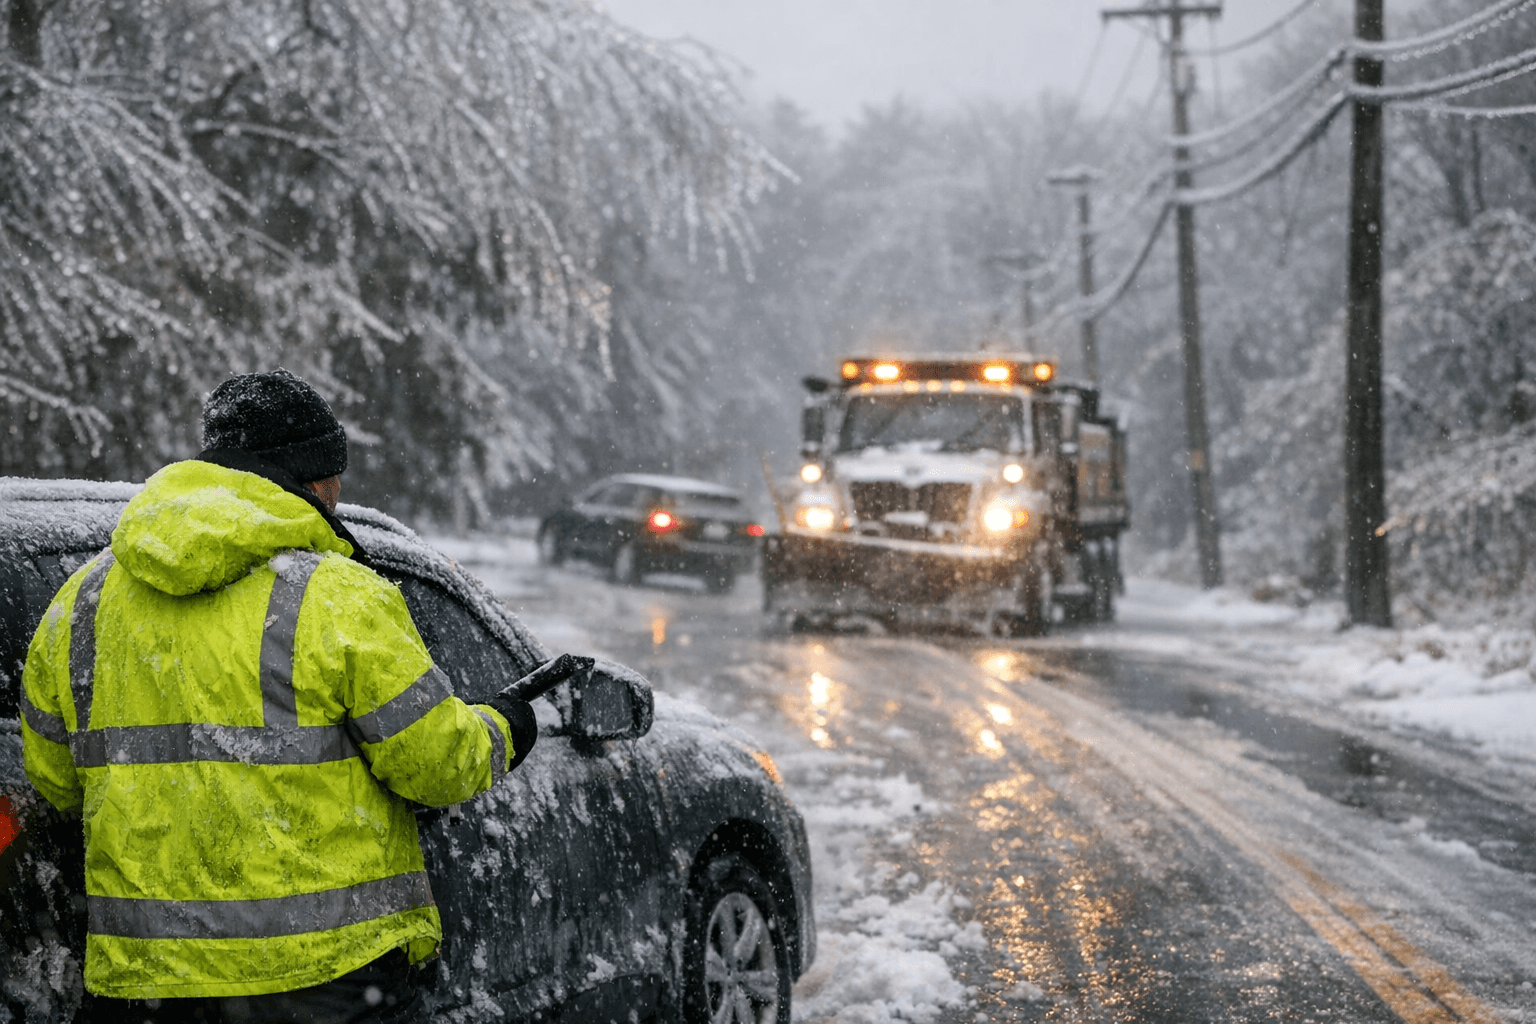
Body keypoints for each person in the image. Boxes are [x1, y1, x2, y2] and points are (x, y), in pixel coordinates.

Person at [19, 368, 538, 1023]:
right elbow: (437, 766)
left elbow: (56, 782)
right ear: (314, 481)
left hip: (144, 984)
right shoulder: (340, 598)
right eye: (335, 481)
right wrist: (505, 726)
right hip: (325, 978)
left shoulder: (82, 604)